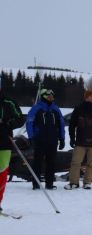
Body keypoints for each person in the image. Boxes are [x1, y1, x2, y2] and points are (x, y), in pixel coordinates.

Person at [64, 90, 92, 190]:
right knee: (75, 162)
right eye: (90, 96)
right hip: (80, 142)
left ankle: (87, 182)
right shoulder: (79, 109)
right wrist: (71, 137)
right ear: (86, 97)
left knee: (91, 164)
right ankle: (73, 182)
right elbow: (72, 125)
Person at [27, 89, 65, 190]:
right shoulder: (36, 108)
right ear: (43, 96)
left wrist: (62, 138)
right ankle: (36, 183)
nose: (51, 97)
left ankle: (49, 183)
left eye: (52, 95)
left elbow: (61, 124)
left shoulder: (56, 109)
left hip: (52, 140)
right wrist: (31, 137)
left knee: (51, 162)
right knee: (37, 162)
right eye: (49, 96)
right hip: (39, 140)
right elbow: (29, 122)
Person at [0, 82, 25, 211]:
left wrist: (9, 124)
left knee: (2, 173)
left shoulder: (8, 102)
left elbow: (20, 118)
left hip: (4, 141)